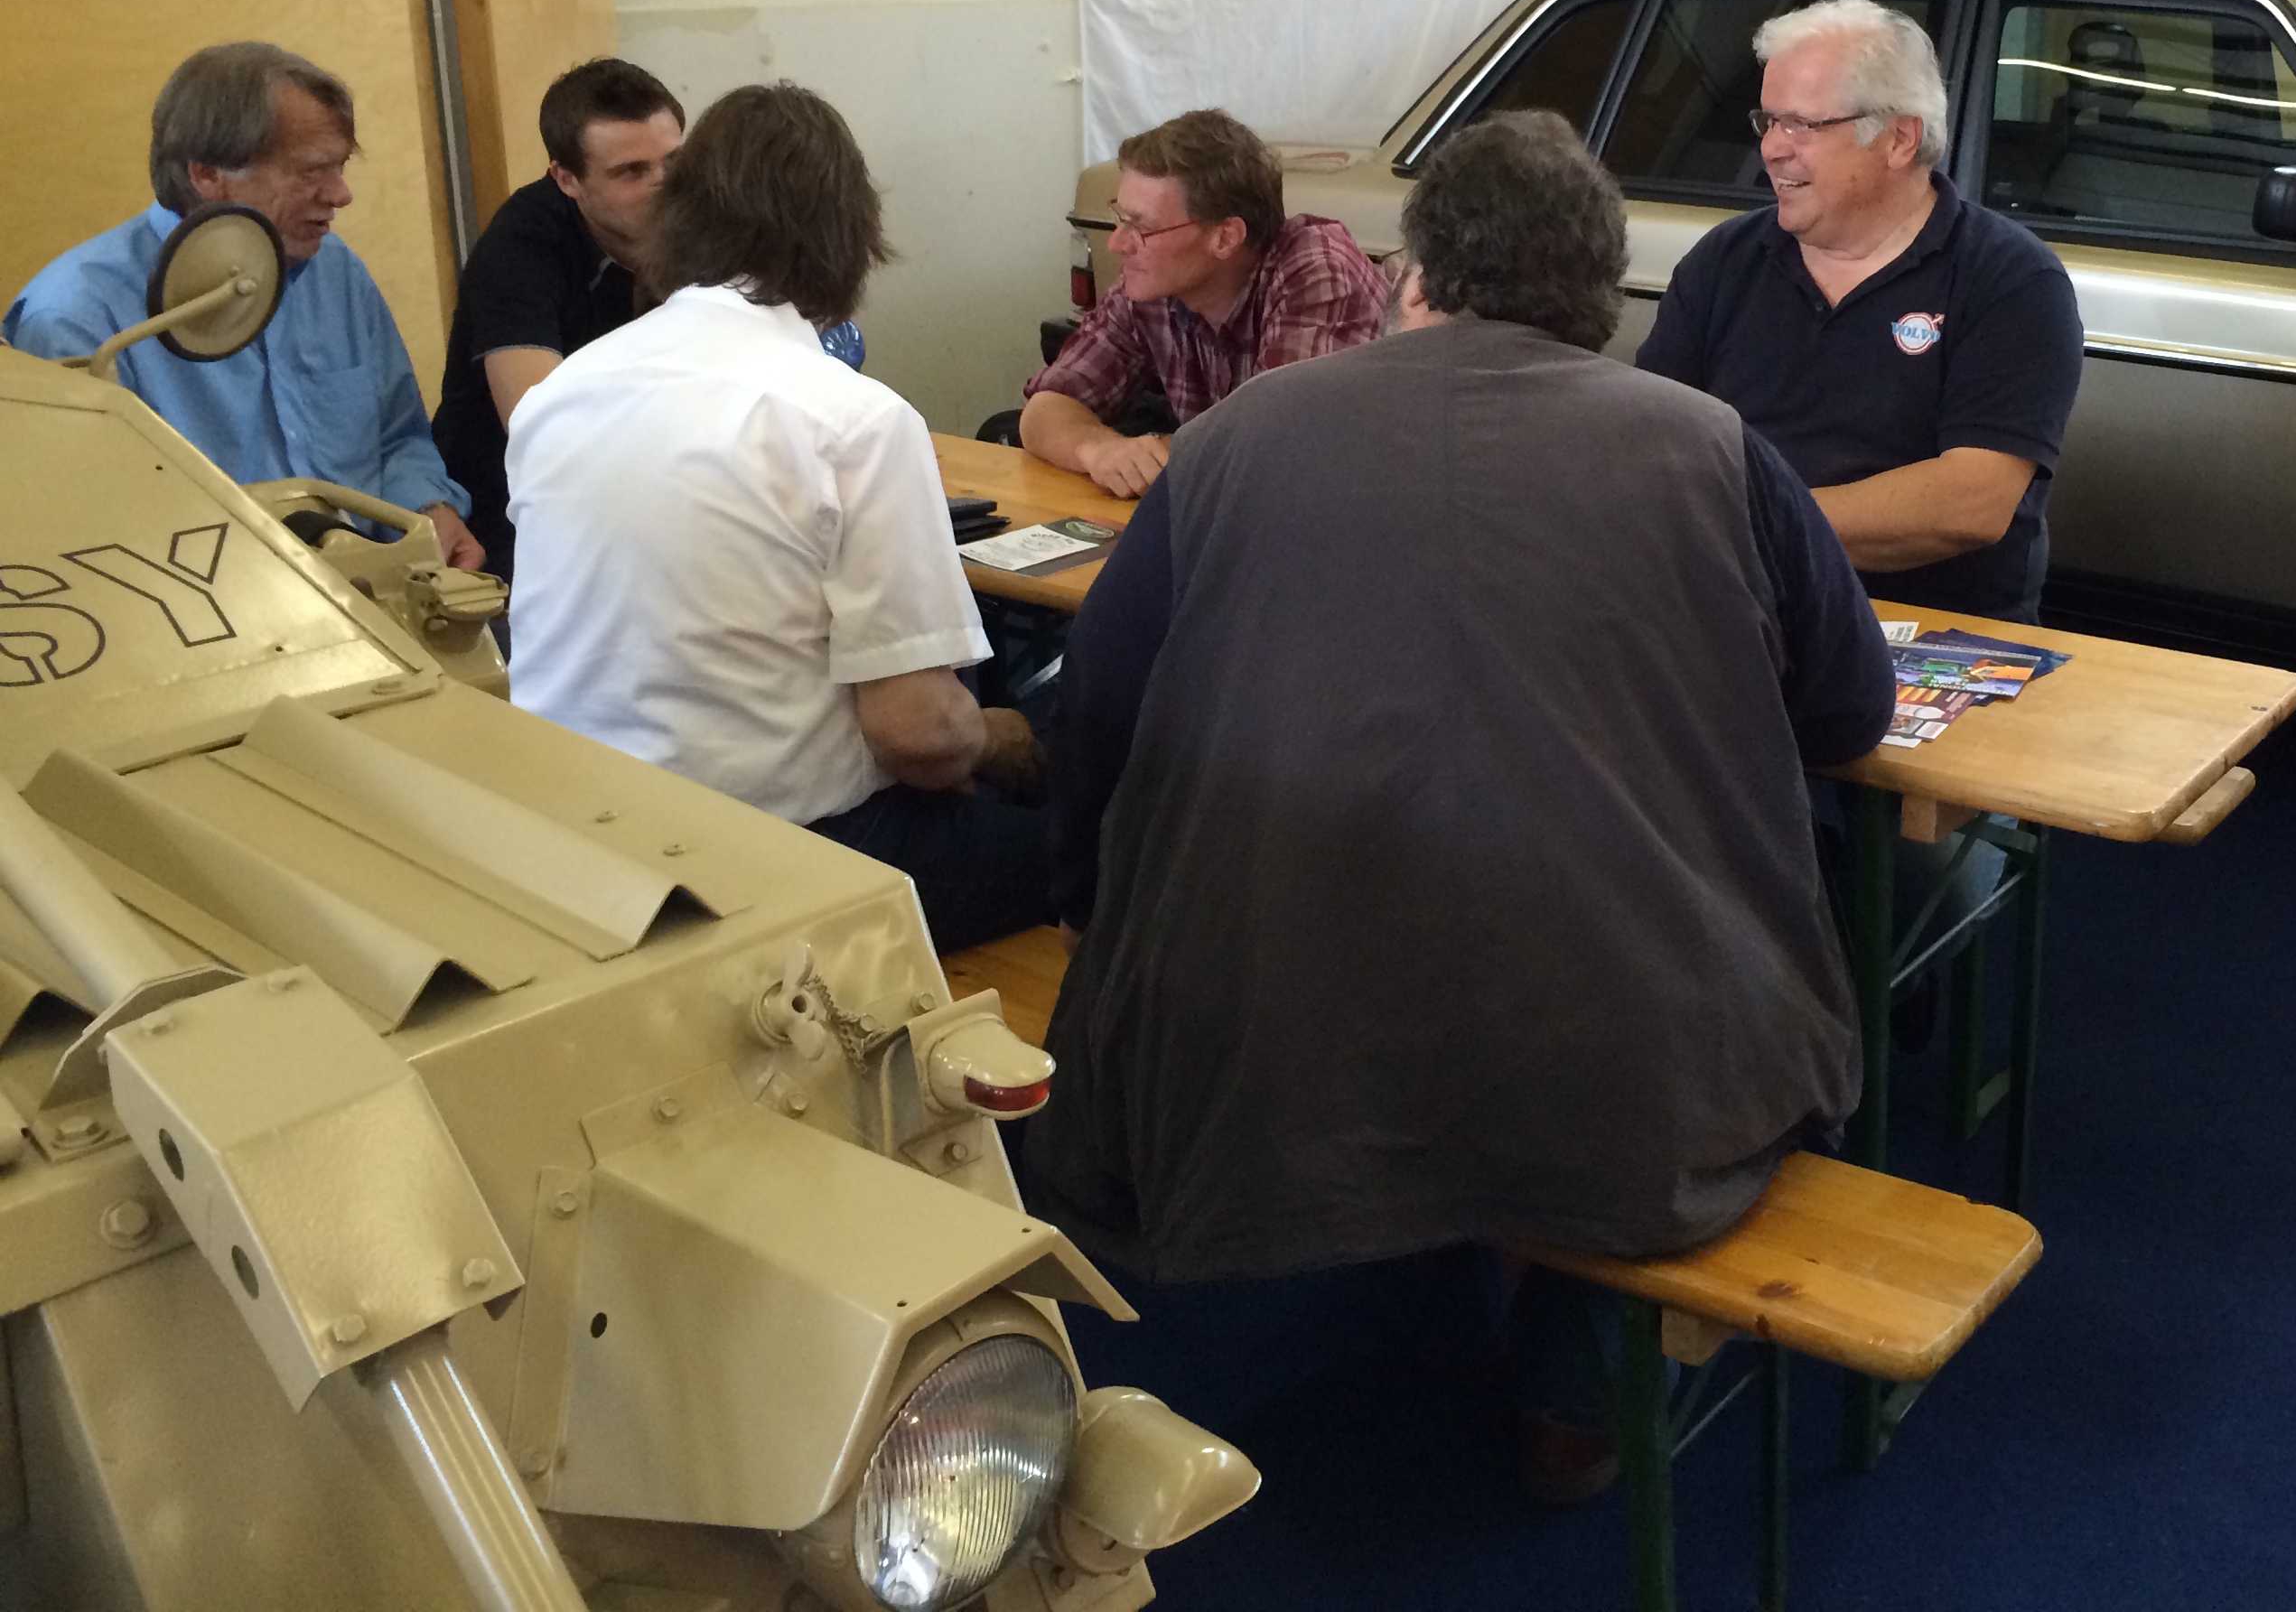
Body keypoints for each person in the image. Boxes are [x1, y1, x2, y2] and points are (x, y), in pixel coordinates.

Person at [1030, 112, 1892, 1297]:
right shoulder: (1714, 449)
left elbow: (1098, 706)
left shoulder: (1230, 441)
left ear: (1416, 275)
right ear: (1603, 296)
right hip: (1640, 1101)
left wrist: (1086, 906)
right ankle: (1559, 1361)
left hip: (1263, 1078)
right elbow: (1850, 714)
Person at [505, 81, 1048, 947]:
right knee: (1093, 839)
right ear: (848, 237)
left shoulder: (559, 394)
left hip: (575, 838)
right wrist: (1003, 741)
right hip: (773, 861)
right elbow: (917, 737)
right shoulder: (854, 419)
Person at [1638, 0, 2083, 623]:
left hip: (1936, 636)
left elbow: (1971, 503)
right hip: (1742, 616)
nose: (1773, 149)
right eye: (1769, 122)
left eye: (1802, 125)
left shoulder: (2010, 279)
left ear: (1899, 139)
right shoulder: (1725, 262)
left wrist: (1754, 520)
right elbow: (1650, 449)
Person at [5, 42, 480, 567]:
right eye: (311, 171)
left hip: (376, 586)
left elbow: (396, 438)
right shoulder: (77, 317)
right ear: (207, 174)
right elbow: (88, 539)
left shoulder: (335, 269)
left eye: (340, 167)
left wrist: (430, 508)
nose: (341, 195)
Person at [1018, 108, 1384, 497]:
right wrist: (1100, 450)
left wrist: (1155, 454)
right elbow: (1044, 409)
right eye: (1121, 219)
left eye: (1141, 226)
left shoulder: (1318, 273)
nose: (1117, 243)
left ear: (1225, 238)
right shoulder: (1153, 288)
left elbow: (1281, 451)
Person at [431, 58, 684, 582]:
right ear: (567, 179)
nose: (665, 187)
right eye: (632, 172)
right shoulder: (520, 248)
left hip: (647, 504)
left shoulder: (702, 219)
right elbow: (544, 432)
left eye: (675, 162)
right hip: (513, 532)